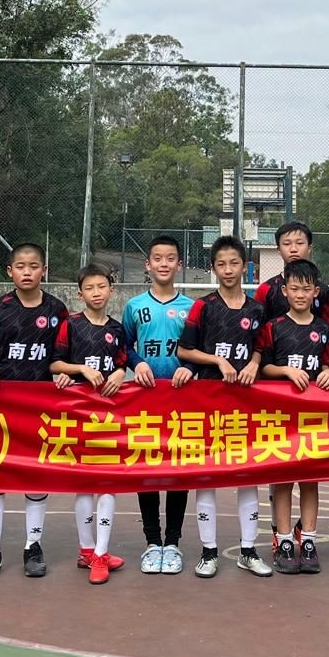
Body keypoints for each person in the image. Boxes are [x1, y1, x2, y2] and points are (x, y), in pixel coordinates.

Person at [177, 235, 272, 579]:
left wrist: (253, 362)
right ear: (213, 268)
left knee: (248, 474)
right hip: (207, 400)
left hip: (247, 403)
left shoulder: (257, 310)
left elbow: (264, 348)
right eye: (221, 264)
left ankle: (248, 550)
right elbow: (184, 350)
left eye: (234, 263)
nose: (228, 270)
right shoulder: (203, 306)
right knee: (208, 475)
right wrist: (218, 360)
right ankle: (209, 552)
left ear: (245, 266)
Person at [0, 243, 66, 580]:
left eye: (34, 266)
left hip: (40, 403)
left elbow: (63, 353)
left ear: (44, 270)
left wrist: (66, 373)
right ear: (9, 271)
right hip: (0, 401)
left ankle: (33, 545)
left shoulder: (58, 309)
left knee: (35, 475)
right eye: (20, 266)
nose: (27, 272)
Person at [121, 235, 195, 575]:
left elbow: (198, 349)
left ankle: (174, 543)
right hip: (146, 399)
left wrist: (189, 368)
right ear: (147, 265)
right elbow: (123, 346)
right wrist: (136, 363)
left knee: (178, 471)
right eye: (157, 258)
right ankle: (153, 542)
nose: (164, 264)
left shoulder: (192, 307)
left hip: (181, 400)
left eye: (170, 258)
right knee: (147, 469)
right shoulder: (135, 306)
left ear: (179, 264)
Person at [257, 259, 329, 575]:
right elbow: (265, 367)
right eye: (295, 288)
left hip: (313, 416)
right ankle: (285, 539)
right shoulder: (273, 327)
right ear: (285, 290)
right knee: (282, 479)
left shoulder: (324, 329)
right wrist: (286, 370)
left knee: (310, 479)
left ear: (315, 292)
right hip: (280, 415)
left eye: (307, 289)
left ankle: (309, 540)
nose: (300, 294)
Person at [52, 263, 130, 584]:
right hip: (77, 413)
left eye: (102, 287)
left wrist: (119, 374)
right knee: (84, 482)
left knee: (108, 482)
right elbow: (55, 363)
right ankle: (87, 551)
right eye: (89, 288)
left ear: (111, 290)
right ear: (80, 292)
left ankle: (101, 552)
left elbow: (123, 362)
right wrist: (79, 370)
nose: (96, 293)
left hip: (109, 416)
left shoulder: (117, 328)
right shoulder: (70, 325)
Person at [253, 221, 329, 329]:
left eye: (299, 243)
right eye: (287, 244)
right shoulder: (266, 289)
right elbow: (257, 332)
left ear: (309, 248)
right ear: (279, 250)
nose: (293, 249)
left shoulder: (323, 290)